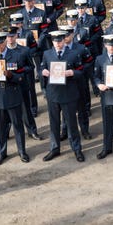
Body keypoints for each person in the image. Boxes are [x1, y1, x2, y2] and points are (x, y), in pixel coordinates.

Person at [0, 32, 30, 165]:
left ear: (5, 42)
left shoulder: (15, 55)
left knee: (17, 125)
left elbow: (21, 77)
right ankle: (1, 152)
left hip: (12, 94)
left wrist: (11, 76)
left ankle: (22, 151)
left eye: (1, 43)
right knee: (0, 127)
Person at [40, 30, 85, 162]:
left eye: (60, 41)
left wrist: (72, 72)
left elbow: (81, 70)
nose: (58, 44)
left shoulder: (73, 53)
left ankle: (76, 148)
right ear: (52, 42)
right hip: (53, 93)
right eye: (55, 41)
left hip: (68, 93)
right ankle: (54, 148)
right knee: (54, 123)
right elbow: (42, 68)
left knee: (71, 123)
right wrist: (43, 71)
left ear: (64, 40)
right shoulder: (47, 54)